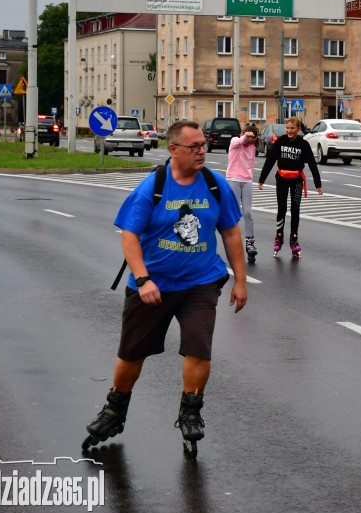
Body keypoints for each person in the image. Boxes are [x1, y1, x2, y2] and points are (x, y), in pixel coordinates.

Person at [83, 120, 248, 451]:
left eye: (204, 145)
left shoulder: (215, 185)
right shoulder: (153, 187)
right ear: (174, 150)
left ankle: (191, 411)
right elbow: (129, 235)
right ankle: (115, 410)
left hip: (200, 283)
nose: (202, 151)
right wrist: (143, 280)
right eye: (195, 146)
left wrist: (240, 281)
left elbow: (230, 232)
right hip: (152, 285)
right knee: (132, 353)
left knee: (198, 346)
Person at [258, 116, 322, 256]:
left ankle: (294, 238)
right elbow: (270, 161)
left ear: (298, 129)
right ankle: (279, 236)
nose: (289, 130)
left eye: (292, 128)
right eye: (287, 128)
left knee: (295, 209)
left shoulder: (303, 144)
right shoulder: (280, 141)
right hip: (281, 179)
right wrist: (262, 179)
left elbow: (312, 163)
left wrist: (318, 184)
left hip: (297, 180)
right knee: (282, 208)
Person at [227, 124, 260, 261]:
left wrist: (253, 138)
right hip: (233, 179)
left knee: (247, 212)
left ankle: (250, 242)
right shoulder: (235, 142)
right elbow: (241, 141)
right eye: (248, 137)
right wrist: (247, 136)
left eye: (253, 138)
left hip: (247, 180)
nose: (249, 141)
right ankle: (233, 243)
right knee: (234, 213)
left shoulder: (253, 147)